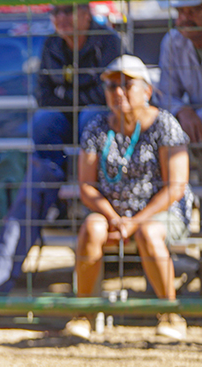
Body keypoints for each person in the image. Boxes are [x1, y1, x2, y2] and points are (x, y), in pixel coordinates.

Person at [0, 3, 122, 297]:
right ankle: (50, 173)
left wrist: (66, 94)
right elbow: (42, 94)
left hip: (97, 135)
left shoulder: (109, 41)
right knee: (44, 121)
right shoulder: (53, 44)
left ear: (86, 13)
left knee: (90, 116)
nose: (61, 19)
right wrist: (76, 93)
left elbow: (108, 94)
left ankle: (79, 175)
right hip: (63, 125)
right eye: (56, 12)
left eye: (68, 11)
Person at [63, 56, 193, 341]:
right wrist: (113, 217)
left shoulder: (164, 124)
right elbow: (86, 186)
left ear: (146, 90)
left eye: (126, 85)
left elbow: (175, 187)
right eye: (111, 86)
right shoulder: (97, 126)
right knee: (92, 228)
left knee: (148, 232)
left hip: (160, 212)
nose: (117, 92)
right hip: (114, 213)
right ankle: (84, 313)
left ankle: (170, 313)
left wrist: (135, 221)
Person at [157, 0, 202, 146]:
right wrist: (182, 110)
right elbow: (166, 93)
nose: (184, 19)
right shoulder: (173, 41)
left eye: (193, 11)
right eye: (180, 12)